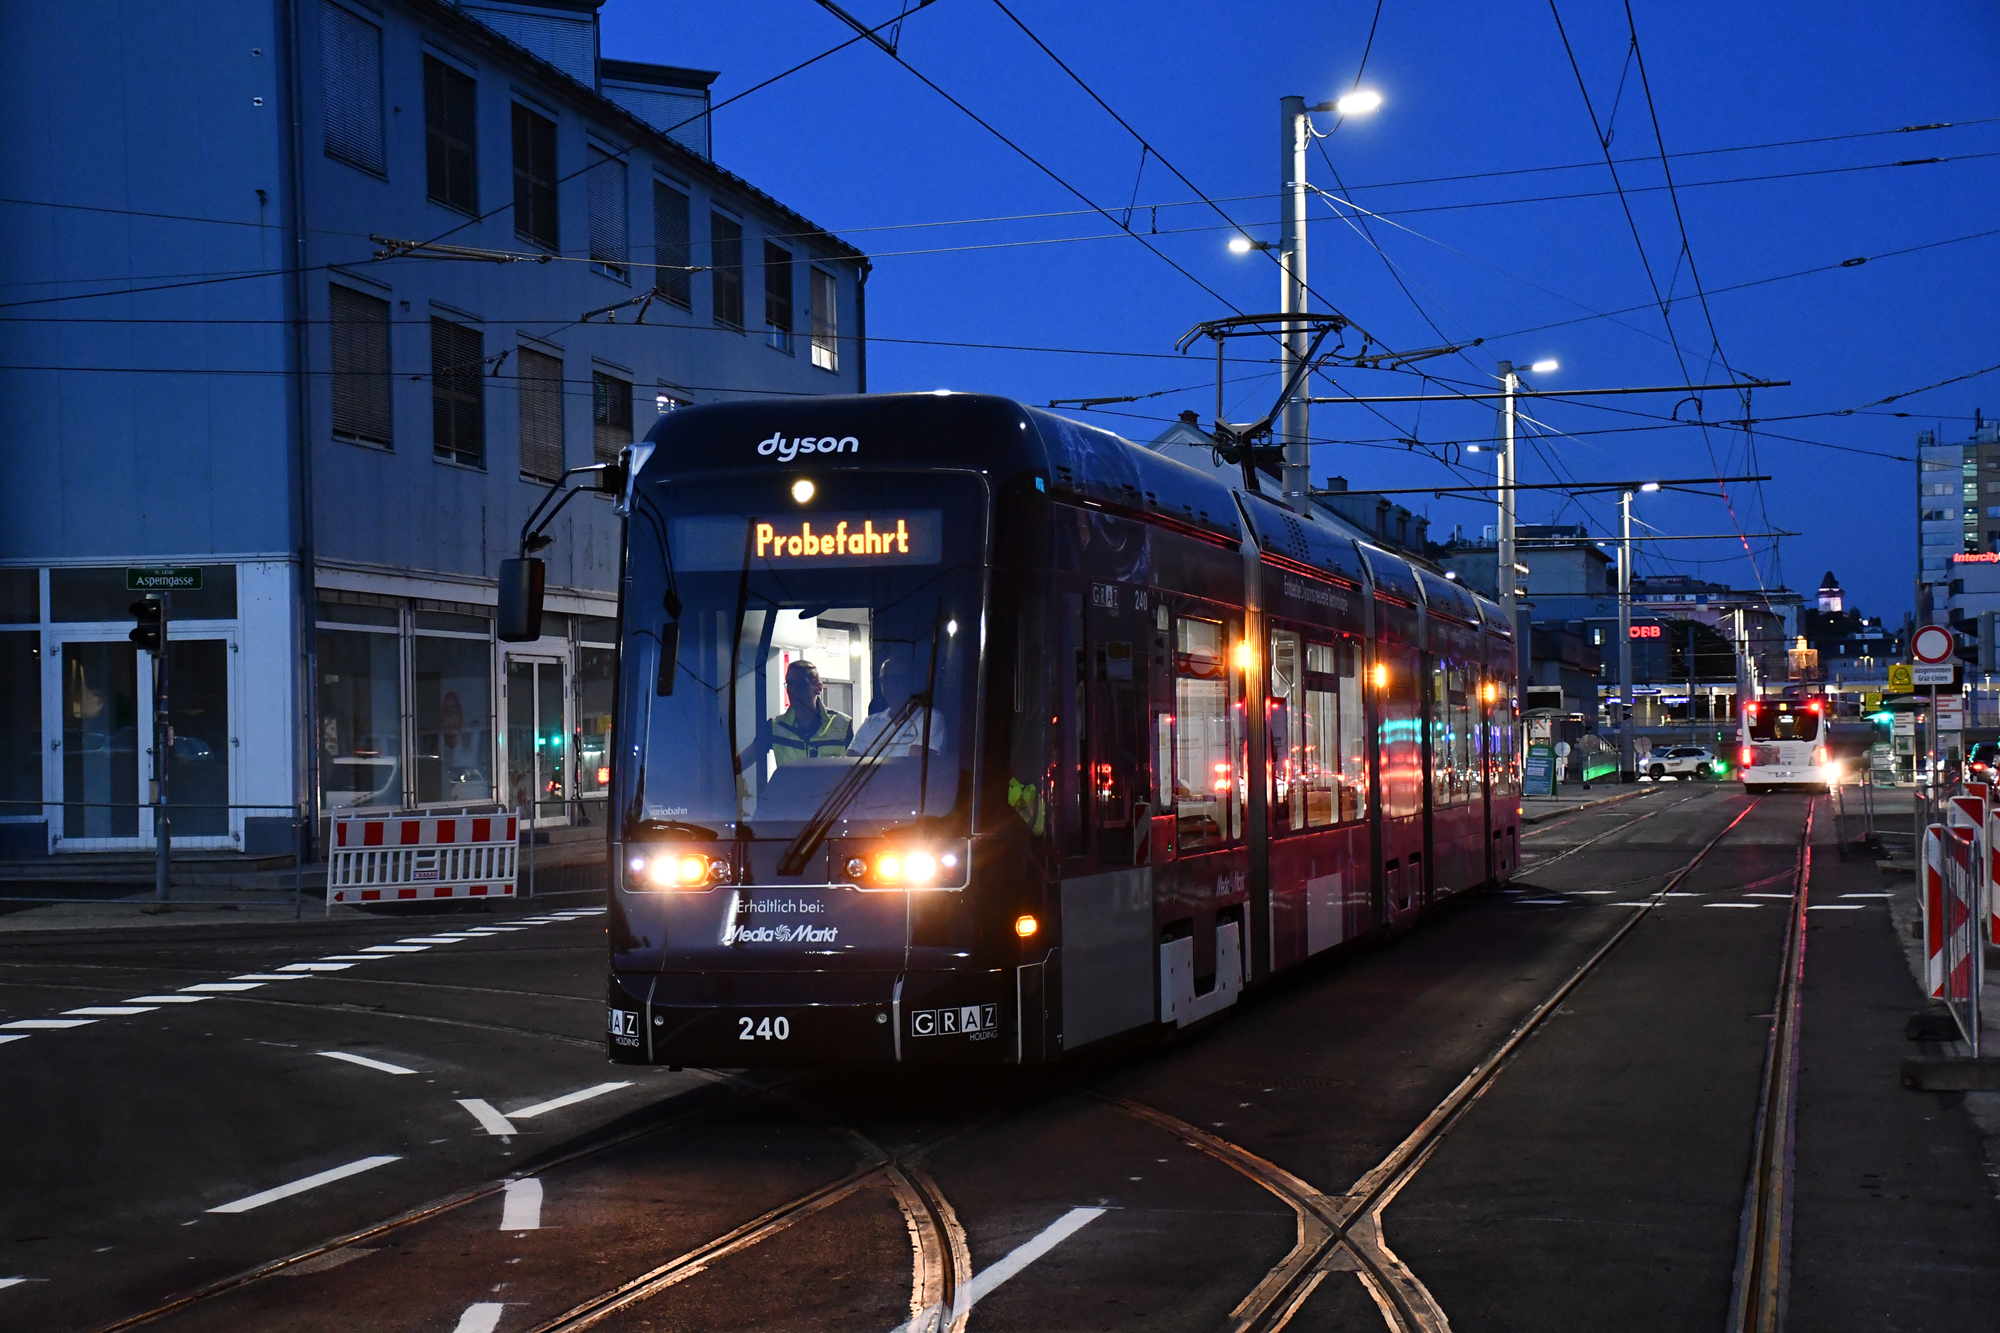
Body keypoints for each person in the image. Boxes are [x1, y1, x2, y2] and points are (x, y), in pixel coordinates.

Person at [850, 651, 946, 755]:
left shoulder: (930, 718)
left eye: (898, 678)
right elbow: (851, 758)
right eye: (885, 679)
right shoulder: (870, 723)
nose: (891, 684)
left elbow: (916, 761)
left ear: (912, 681)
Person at [770, 659, 851, 764]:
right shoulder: (775, 726)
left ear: (818, 688)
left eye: (800, 684)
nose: (793, 689)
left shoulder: (842, 724)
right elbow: (749, 757)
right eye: (790, 683)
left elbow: (857, 768)